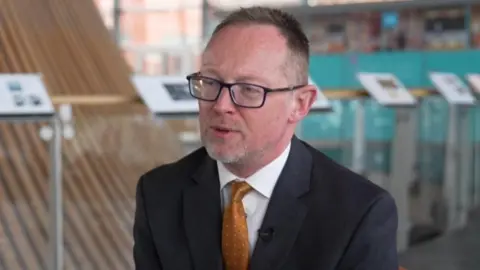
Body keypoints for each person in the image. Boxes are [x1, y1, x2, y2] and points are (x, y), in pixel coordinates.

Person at [133, 6, 399, 270]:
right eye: (211, 82)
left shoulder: (360, 212)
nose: (221, 105)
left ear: (300, 104)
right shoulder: (159, 193)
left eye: (249, 89)